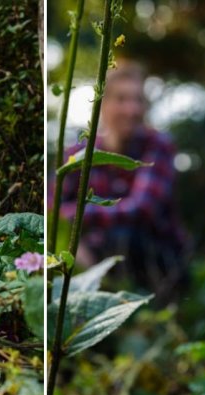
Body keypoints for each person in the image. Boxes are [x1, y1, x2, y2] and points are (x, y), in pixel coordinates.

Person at [60, 61, 188, 305]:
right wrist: (74, 243)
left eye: (138, 100)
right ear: (103, 105)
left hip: (158, 261)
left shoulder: (158, 146)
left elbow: (142, 209)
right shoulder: (79, 154)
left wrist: (75, 219)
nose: (131, 109)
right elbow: (52, 206)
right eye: (121, 99)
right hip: (93, 257)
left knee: (123, 235)